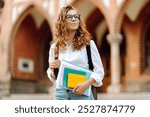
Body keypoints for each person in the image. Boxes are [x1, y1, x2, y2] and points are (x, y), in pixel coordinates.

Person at [47, 5, 104, 100]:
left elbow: (99, 72)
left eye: (76, 16)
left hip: (82, 93)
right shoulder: (54, 47)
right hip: (60, 94)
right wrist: (52, 71)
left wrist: (86, 84)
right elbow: (52, 73)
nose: (74, 19)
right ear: (62, 21)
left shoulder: (88, 45)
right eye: (69, 17)